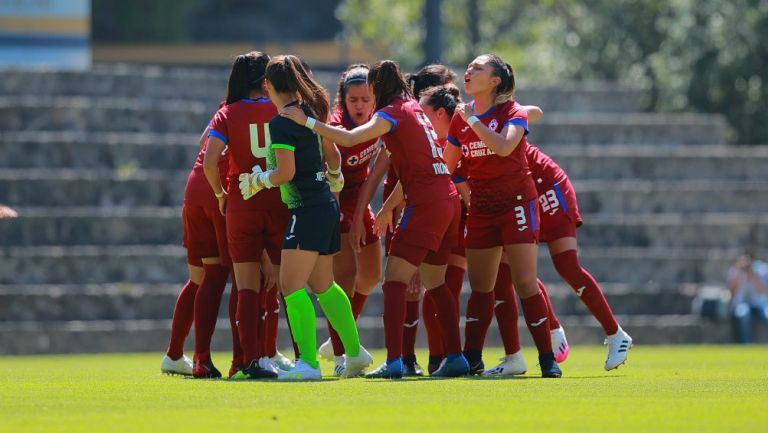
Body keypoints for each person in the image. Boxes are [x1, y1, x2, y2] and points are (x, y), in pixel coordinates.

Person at [282, 60, 469, 379]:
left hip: (426, 203)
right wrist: (383, 210)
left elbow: (351, 139)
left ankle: (395, 361)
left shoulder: (391, 113)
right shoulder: (411, 106)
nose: (365, 102)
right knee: (436, 284)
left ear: (378, 90)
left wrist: (308, 122)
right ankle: (456, 357)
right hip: (447, 199)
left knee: (394, 282)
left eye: (369, 94)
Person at [242, 54, 373, 381]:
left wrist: (257, 180)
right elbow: (333, 154)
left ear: (268, 85)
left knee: (290, 285)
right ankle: (355, 352)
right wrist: (335, 178)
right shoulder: (311, 113)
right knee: (324, 286)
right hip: (326, 205)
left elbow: (285, 172)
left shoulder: (282, 122)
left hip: (306, 210)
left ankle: (309, 366)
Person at [443, 53, 561, 378]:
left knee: (524, 282)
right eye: (470, 67)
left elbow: (505, 147)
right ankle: (472, 359)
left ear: (495, 81)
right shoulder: (460, 117)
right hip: (481, 208)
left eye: (478, 68)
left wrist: (473, 121)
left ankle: (547, 360)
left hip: (518, 203)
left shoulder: (511, 111)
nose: (469, 71)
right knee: (481, 287)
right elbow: (446, 164)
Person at [205, 51, 291, 380]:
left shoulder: (227, 113)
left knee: (246, 288)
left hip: (243, 203)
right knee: (289, 286)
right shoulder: (281, 108)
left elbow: (211, 161)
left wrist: (220, 194)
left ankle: (250, 361)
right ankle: (302, 359)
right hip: (280, 201)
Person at [527, 141, 633, 370]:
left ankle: (616, 335)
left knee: (567, 266)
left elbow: (533, 112)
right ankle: (554, 332)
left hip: (547, 187)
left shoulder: (479, 116)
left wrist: (475, 121)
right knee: (517, 270)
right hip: (521, 193)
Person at [316, 64, 381, 376]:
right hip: (335, 198)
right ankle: (343, 355)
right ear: (343, 101)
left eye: (365, 99)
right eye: (353, 99)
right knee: (346, 277)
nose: (360, 105)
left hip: (360, 200)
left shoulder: (379, 121)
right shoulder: (335, 127)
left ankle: (338, 337)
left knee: (370, 276)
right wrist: (339, 219)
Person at [728, 254, 768, 344]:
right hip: (742, 304)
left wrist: (752, 276)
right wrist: (739, 273)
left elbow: (762, 291)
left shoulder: (759, 271)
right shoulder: (735, 272)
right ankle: (746, 343)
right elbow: (732, 292)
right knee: (743, 315)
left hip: (758, 304)